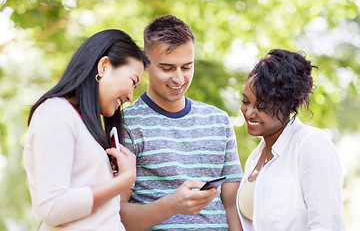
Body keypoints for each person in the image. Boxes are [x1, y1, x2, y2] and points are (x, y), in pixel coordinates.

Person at [119, 15, 243, 230]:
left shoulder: (219, 121)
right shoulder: (127, 124)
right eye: (167, 68)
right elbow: (117, 215)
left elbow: (232, 205)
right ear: (145, 65)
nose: (178, 79)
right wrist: (172, 205)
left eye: (186, 67)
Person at [24, 29, 148, 230]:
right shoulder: (55, 112)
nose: (130, 97)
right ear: (104, 66)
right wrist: (124, 180)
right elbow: (52, 208)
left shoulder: (85, 126)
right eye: (133, 81)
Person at [236, 49, 345, 230]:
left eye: (261, 106)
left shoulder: (310, 145)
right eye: (246, 101)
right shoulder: (254, 160)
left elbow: (326, 224)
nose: (248, 112)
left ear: (286, 105)